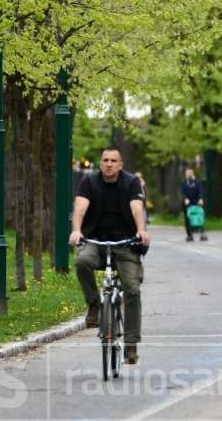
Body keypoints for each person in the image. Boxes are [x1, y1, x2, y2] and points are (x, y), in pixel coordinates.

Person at [69, 146, 149, 364]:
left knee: (132, 289)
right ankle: (94, 304)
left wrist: (141, 230)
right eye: (105, 160)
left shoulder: (131, 182)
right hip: (96, 240)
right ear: (101, 162)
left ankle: (131, 344)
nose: (109, 164)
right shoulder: (90, 182)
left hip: (125, 243)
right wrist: (76, 230)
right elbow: (79, 208)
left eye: (113, 160)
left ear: (120, 165)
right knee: (82, 261)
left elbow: (136, 208)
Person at [180, 168, 204, 242]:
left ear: (193, 173)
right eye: (187, 173)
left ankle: (202, 233)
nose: (188, 174)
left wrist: (200, 199)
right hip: (187, 203)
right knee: (187, 218)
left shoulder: (197, 182)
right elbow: (182, 192)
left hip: (196, 202)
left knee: (200, 217)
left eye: (190, 173)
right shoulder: (183, 183)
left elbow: (200, 190)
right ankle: (189, 235)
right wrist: (185, 199)